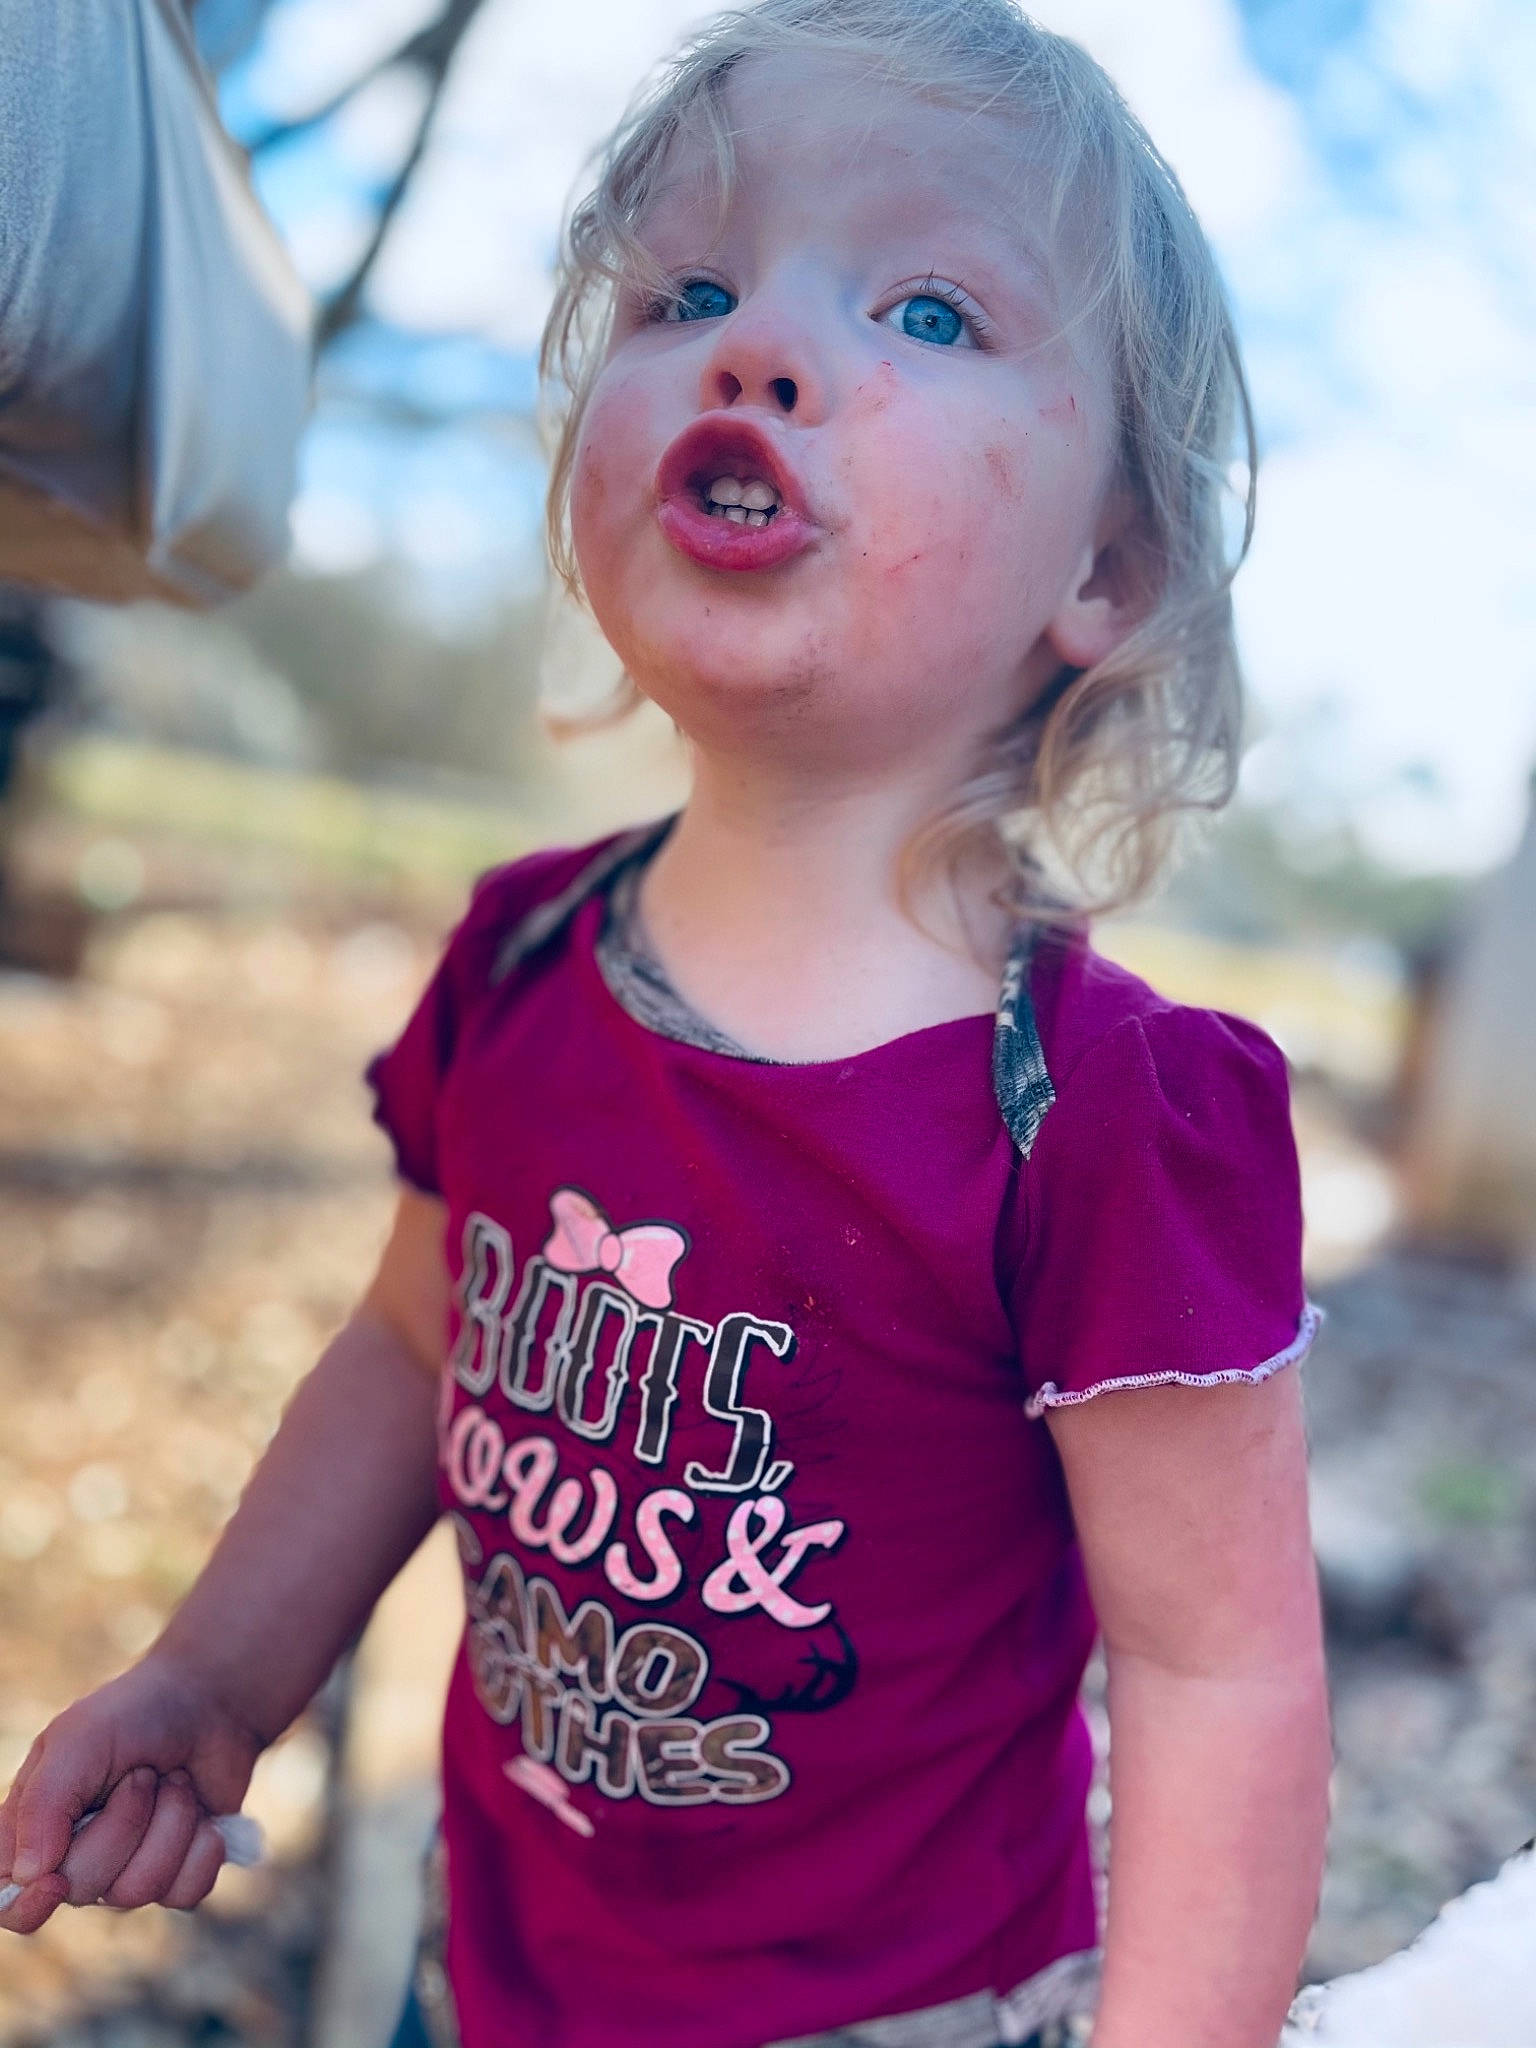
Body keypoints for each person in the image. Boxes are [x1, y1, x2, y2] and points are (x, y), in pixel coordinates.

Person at [0, 3, 1334, 2044]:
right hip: (503, 1967)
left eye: (926, 310)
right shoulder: (524, 960)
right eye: (688, 287)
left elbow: (1217, 1672)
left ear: (1108, 564)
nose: (759, 343)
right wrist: (211, 1682)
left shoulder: (1103, 1115)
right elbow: (405, 1347)